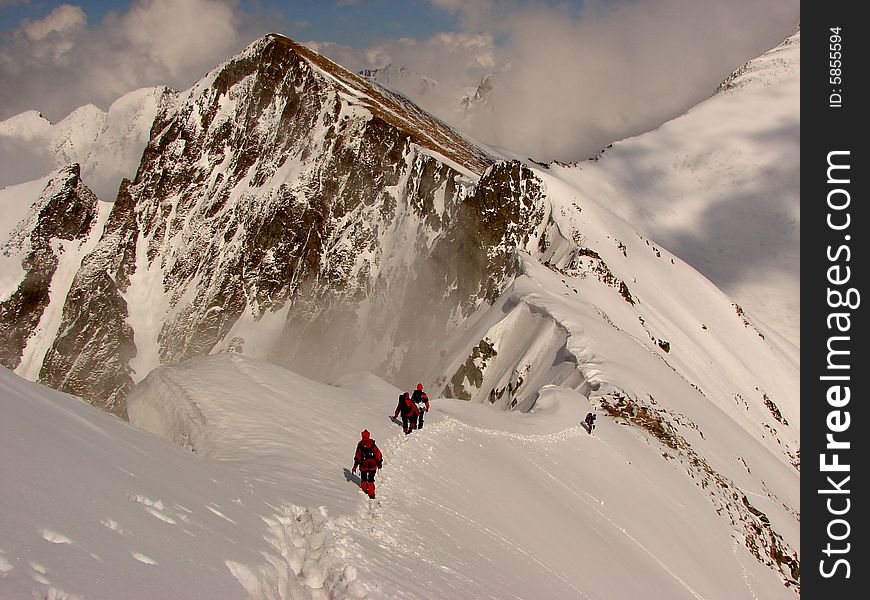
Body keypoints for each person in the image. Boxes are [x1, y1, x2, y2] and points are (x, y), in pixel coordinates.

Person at [352, 429, 383, 498]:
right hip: (373, 465)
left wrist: (355, 466)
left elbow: (357, 456)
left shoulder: (360, 444)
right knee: (371, 480)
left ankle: (365, 490)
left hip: (363, 465)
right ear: (369, 435)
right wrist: (379, 463)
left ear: (362, 435)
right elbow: (378, 454)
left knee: (364, 479)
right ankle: (371, 493)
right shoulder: (373, 444)